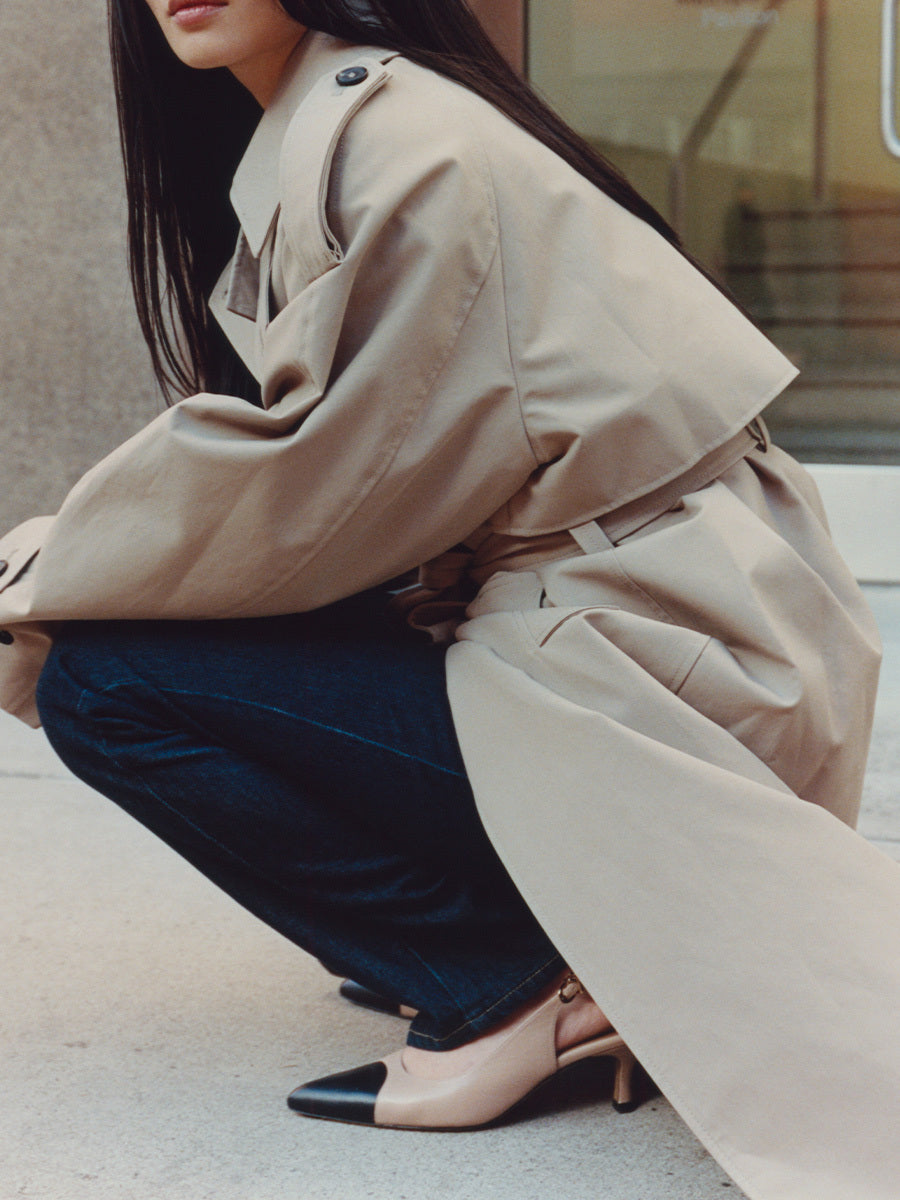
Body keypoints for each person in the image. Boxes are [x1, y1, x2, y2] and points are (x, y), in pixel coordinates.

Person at [1, 2, 899, 1197]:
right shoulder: (361, 117)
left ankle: (508, 987)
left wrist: (45, 563)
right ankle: (534, 937)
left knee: (109, 685)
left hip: (656, 674)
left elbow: (314, 481)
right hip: (652, 628)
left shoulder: (400, 144)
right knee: (170, 629)